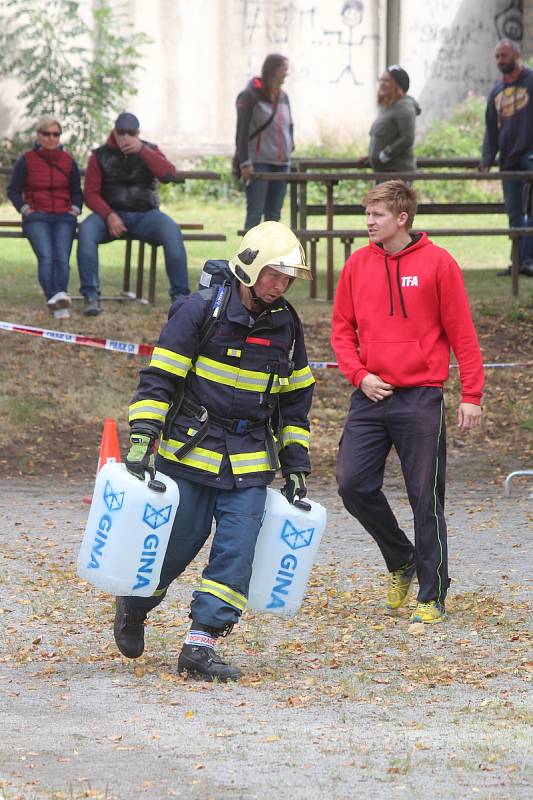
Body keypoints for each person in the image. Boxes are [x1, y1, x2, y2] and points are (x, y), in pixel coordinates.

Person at [114, 221, 315, 681]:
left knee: (236, 553)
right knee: (172, 549)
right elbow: (160, 377)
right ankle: (134, 605)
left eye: (287, 278)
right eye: (273, 274)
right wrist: (144, 436)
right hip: (190, 453)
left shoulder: (287, 324)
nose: (280, 285)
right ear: (249, 267)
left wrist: (297, 465)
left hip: (248, 462)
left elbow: (294, 402)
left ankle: (200, 645)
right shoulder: (199, 310)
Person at [331, 180, 484, 624]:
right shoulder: (357, 265)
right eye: (367, 214)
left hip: (421, 397)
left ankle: (432, 594)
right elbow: (342, 330)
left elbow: (463, 334)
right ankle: (402, 559)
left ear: (402, 218)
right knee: (350, 483)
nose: (369, 222)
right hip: (370, 395)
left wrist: (470, 394)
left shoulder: (439, 264)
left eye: (377, 215)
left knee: (425, 496)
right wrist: (360, 376)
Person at [77, 112, 189, 316]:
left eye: (131, 133)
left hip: (146, 214)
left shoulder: (150, 150)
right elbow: (90, 195)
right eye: (121, 132)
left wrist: (143, 150)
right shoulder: (99, 155)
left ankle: (180, 299)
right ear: (114, 131)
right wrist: (109, 215)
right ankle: (91, 295)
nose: (126, 137)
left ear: (138, 133)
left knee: (172, 231)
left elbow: (169, 175)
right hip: (109, 215)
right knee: (86, 230)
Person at [7, 114, 82, 319]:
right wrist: (25, 210)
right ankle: (56, 299)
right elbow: (13, 190)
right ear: (38, 135)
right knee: (47, 257)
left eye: (56, 134)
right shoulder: (27, 160)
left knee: (62, 259)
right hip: (37, 216)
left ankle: (58, 299)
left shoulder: (68, 161)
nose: (51, 138)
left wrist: (75, 209)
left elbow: (77, 190)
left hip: (64, 216)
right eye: (46, 134)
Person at [480, 39, 533, 277]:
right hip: (508, 159)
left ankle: (528, 260)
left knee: (531, 211)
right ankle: (518, 262)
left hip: (530, 157)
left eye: (504, 55)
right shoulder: (496, 90)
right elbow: (491, 128)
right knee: (513, 213)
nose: (500, 60)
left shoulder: (531, 82)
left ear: (517, 54)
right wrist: (487, 158)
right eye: (497, 57)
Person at [235, 54, 294, 231]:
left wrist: (290, 145)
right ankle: (246, 257)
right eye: (284, 69)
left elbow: (289, 125)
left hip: (282, 164)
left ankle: (270, 257)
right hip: (259, 164)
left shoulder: (284, 97)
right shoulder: (250, 95)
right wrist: (245, 162)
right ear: (274, 70)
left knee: (274, 216)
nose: (287, 73)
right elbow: (242, 131)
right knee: (255, 213)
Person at [356, 66, 420, 174]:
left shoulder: (404, 107)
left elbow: (407, 139)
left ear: (398, 85)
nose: (381, 83)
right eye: (380, 80)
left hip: (397, 173)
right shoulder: (389, 107)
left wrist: (384, 155)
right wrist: (372, 157)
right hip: (384, 172)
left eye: (387, 80)